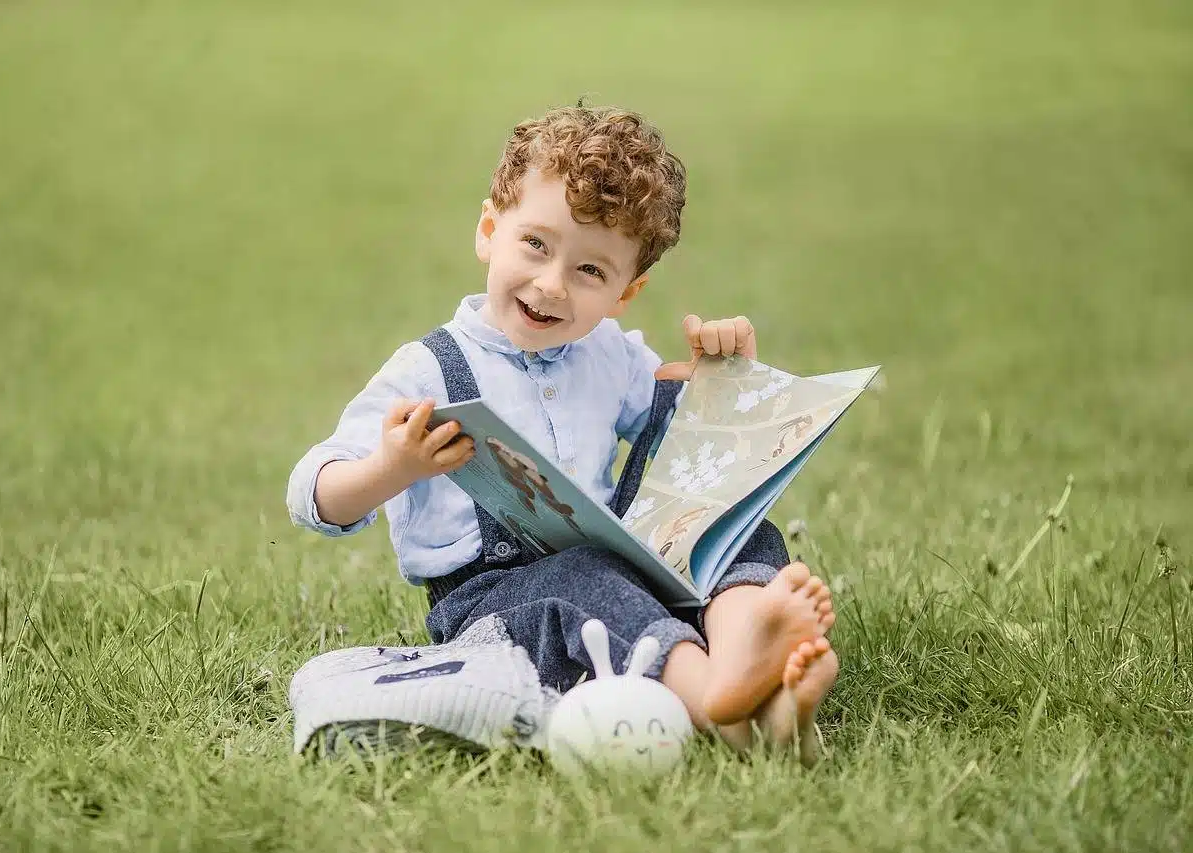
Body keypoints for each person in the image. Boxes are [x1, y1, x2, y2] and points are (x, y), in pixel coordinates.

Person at [287, 105, 838, 758]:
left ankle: (756, 662)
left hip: (618, 568)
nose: (551, 284)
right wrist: (392, 467)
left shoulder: (608, 352)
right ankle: (720, 693)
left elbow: (682, 432)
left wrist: (720, 375)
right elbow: (312, 494)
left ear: (625, 294)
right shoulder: (428, 369)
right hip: (494, 605)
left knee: (735, 523)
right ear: (490, 230)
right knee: (583, 580)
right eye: (536, 245)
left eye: (590, 272)